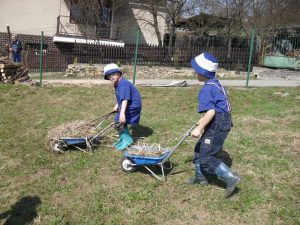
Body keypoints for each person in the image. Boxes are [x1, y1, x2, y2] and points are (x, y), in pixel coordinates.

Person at [189, 52, 241, 198]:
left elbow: (211, 112)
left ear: (201, 72)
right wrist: (203, 120)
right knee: (200, 148)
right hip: (222, 120)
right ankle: (201, 178)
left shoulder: (206, 89)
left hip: (218, 122)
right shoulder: (215, 83)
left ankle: (231, 177)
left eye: (195, 70)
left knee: (206, 157)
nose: (194, 72)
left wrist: (199, 128)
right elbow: (219, 107)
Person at [104, 63, 142, 150]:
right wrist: (117, 105)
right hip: (128, 103)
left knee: (119, 121)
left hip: (132, 105)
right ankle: (123, 139)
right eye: (109, 75)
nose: (111, 76)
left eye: (113, 74)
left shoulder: (123, 84)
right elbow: (120, 96)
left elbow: (125, 99)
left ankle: (127, 141)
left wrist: (122, 113)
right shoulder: (117, 83)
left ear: (119, 73)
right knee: (119, 121)